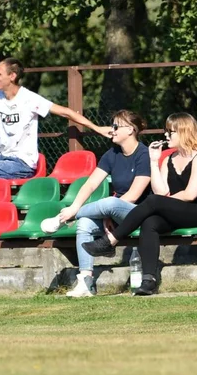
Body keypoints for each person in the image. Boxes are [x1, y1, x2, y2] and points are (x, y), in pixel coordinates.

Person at [82, 113, 197, 296]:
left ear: (184, 132)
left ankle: (112, 240)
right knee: (150, 222)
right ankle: (149, 280)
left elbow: (189, 194)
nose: (166, 136)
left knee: (153, 202)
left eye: (170, 132)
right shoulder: (169, 159)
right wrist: (154, 161)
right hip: (178, 211)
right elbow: (161, 192)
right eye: (166, 132)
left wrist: (163, 200)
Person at [0, 58, 110, 195]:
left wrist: (96, 128)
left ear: (12, 76)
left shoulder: (29, 99)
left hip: (21, 164)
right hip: (1, 158)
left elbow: (66, 112)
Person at [49, 110, 152, 298]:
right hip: (114, 211)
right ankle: (86, 281)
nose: (111, 130)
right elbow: (91, 184)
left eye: (115, 126)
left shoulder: (143, 154)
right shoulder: (112, 153)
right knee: (85, 224)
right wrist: (80, 205)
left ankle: (66, 217)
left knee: (109, 202)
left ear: (130, 129)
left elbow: (135, 194)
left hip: (137, 212)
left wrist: (103, 212)